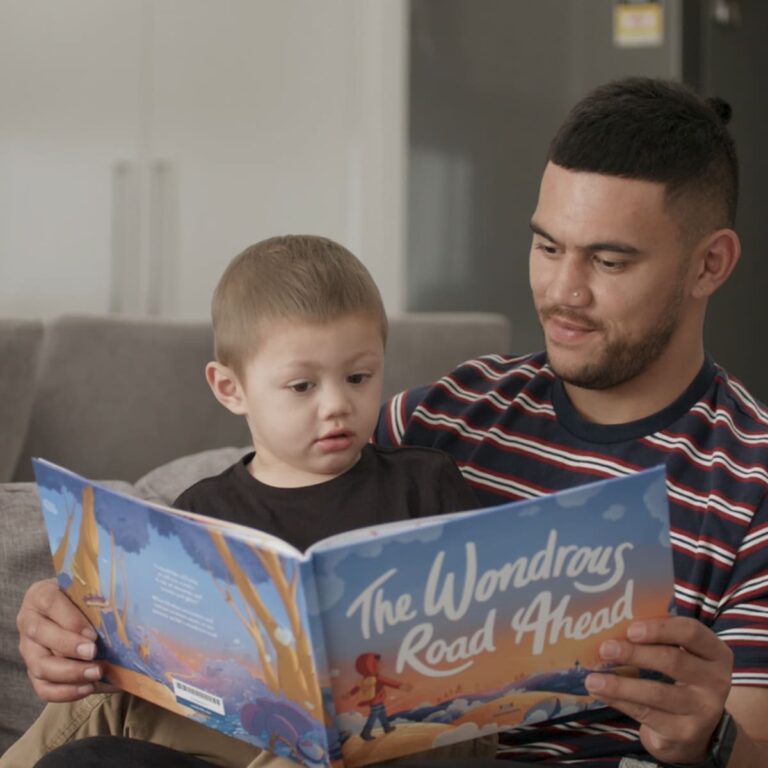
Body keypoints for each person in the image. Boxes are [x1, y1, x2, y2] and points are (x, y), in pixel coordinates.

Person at [10, 76, 768, 767]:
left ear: (710, 264)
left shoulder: (751, 476)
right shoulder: (456, 412)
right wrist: (79, 616)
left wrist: (709, 734)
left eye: (608, 261)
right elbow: (284, 470)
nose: (562, 291)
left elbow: (752, 740)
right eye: (546, 246)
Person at [1, 235, 489, 768]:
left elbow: (482, 629)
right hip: (241, 735)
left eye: (358, 377)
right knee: (99, 720)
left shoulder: (424, 484)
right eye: (302, 386)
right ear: (230, 388)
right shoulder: (201, 513)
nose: (337, 405)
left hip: (402, 729)